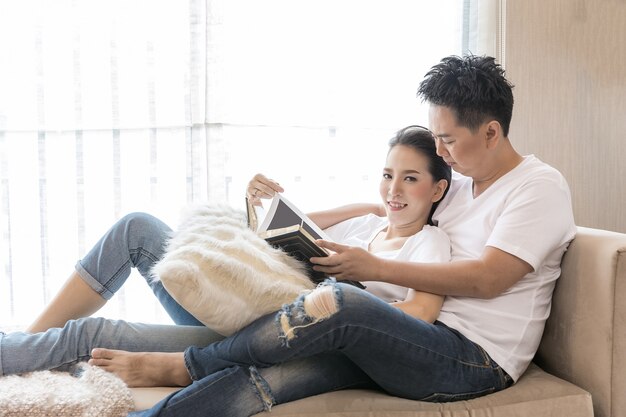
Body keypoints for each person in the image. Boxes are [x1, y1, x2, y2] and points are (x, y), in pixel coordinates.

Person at [90, 53, 576, 415]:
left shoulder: (538, 187)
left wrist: (373, 269)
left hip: (471, 359)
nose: (441, 151)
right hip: (410, 334)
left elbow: (491, 278)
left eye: (448, 140)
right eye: (438, 138)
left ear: (491, 133)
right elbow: (396, 207)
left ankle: (185, 365)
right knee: (282, 369)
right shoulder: (459, 181)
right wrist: (302, 217)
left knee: (339, 301)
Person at [0, 125, 451, 382]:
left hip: (267, 333)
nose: (394, 189)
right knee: (136, 227)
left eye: (410, 179)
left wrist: (363, 276)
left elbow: (420, 315)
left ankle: (16, 355)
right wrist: (260, 202)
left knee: (91, 333)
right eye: (388, 174)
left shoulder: (430, 243)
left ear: (438, 188)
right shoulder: (367, 224)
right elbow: (281, 230)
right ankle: (24, 345)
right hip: (238, 302)